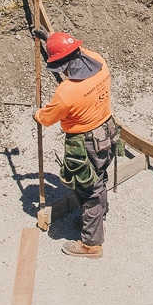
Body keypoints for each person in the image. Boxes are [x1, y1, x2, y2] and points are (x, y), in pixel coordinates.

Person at [34, 31, 120, 259]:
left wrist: (37, 114)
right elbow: (74, 50)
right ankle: (97, 222)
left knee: (89, 190)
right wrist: (50, 39)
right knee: (99, 179)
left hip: (86, 142)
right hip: (108, 132)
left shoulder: (67, 91)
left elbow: (47, 119)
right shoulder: (99, 61)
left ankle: (91, 244)